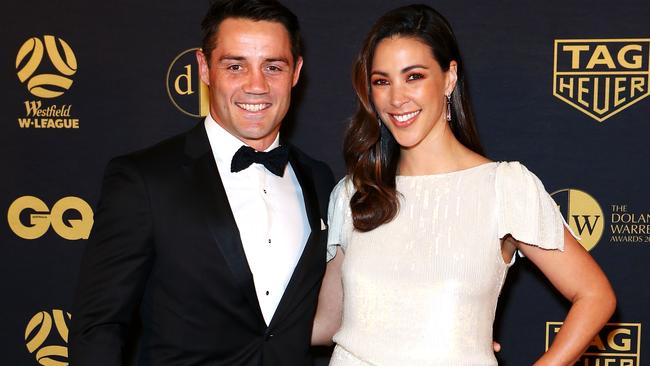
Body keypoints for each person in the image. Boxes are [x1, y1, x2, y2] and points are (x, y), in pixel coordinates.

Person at [312, 4, 616, 365]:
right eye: (382, 81)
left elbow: (595, 295)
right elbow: (326, 322)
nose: (396, 98)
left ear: (449, 77)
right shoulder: (354, 192)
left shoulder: (503, 187)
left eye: (414, 76)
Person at [69, 0, 334, 365]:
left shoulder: (320, 180)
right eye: (235, 66)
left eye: (273, 67)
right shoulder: (144, 180)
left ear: (296, 72)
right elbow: (97, 327)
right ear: (204, 68)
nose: (256, 85)